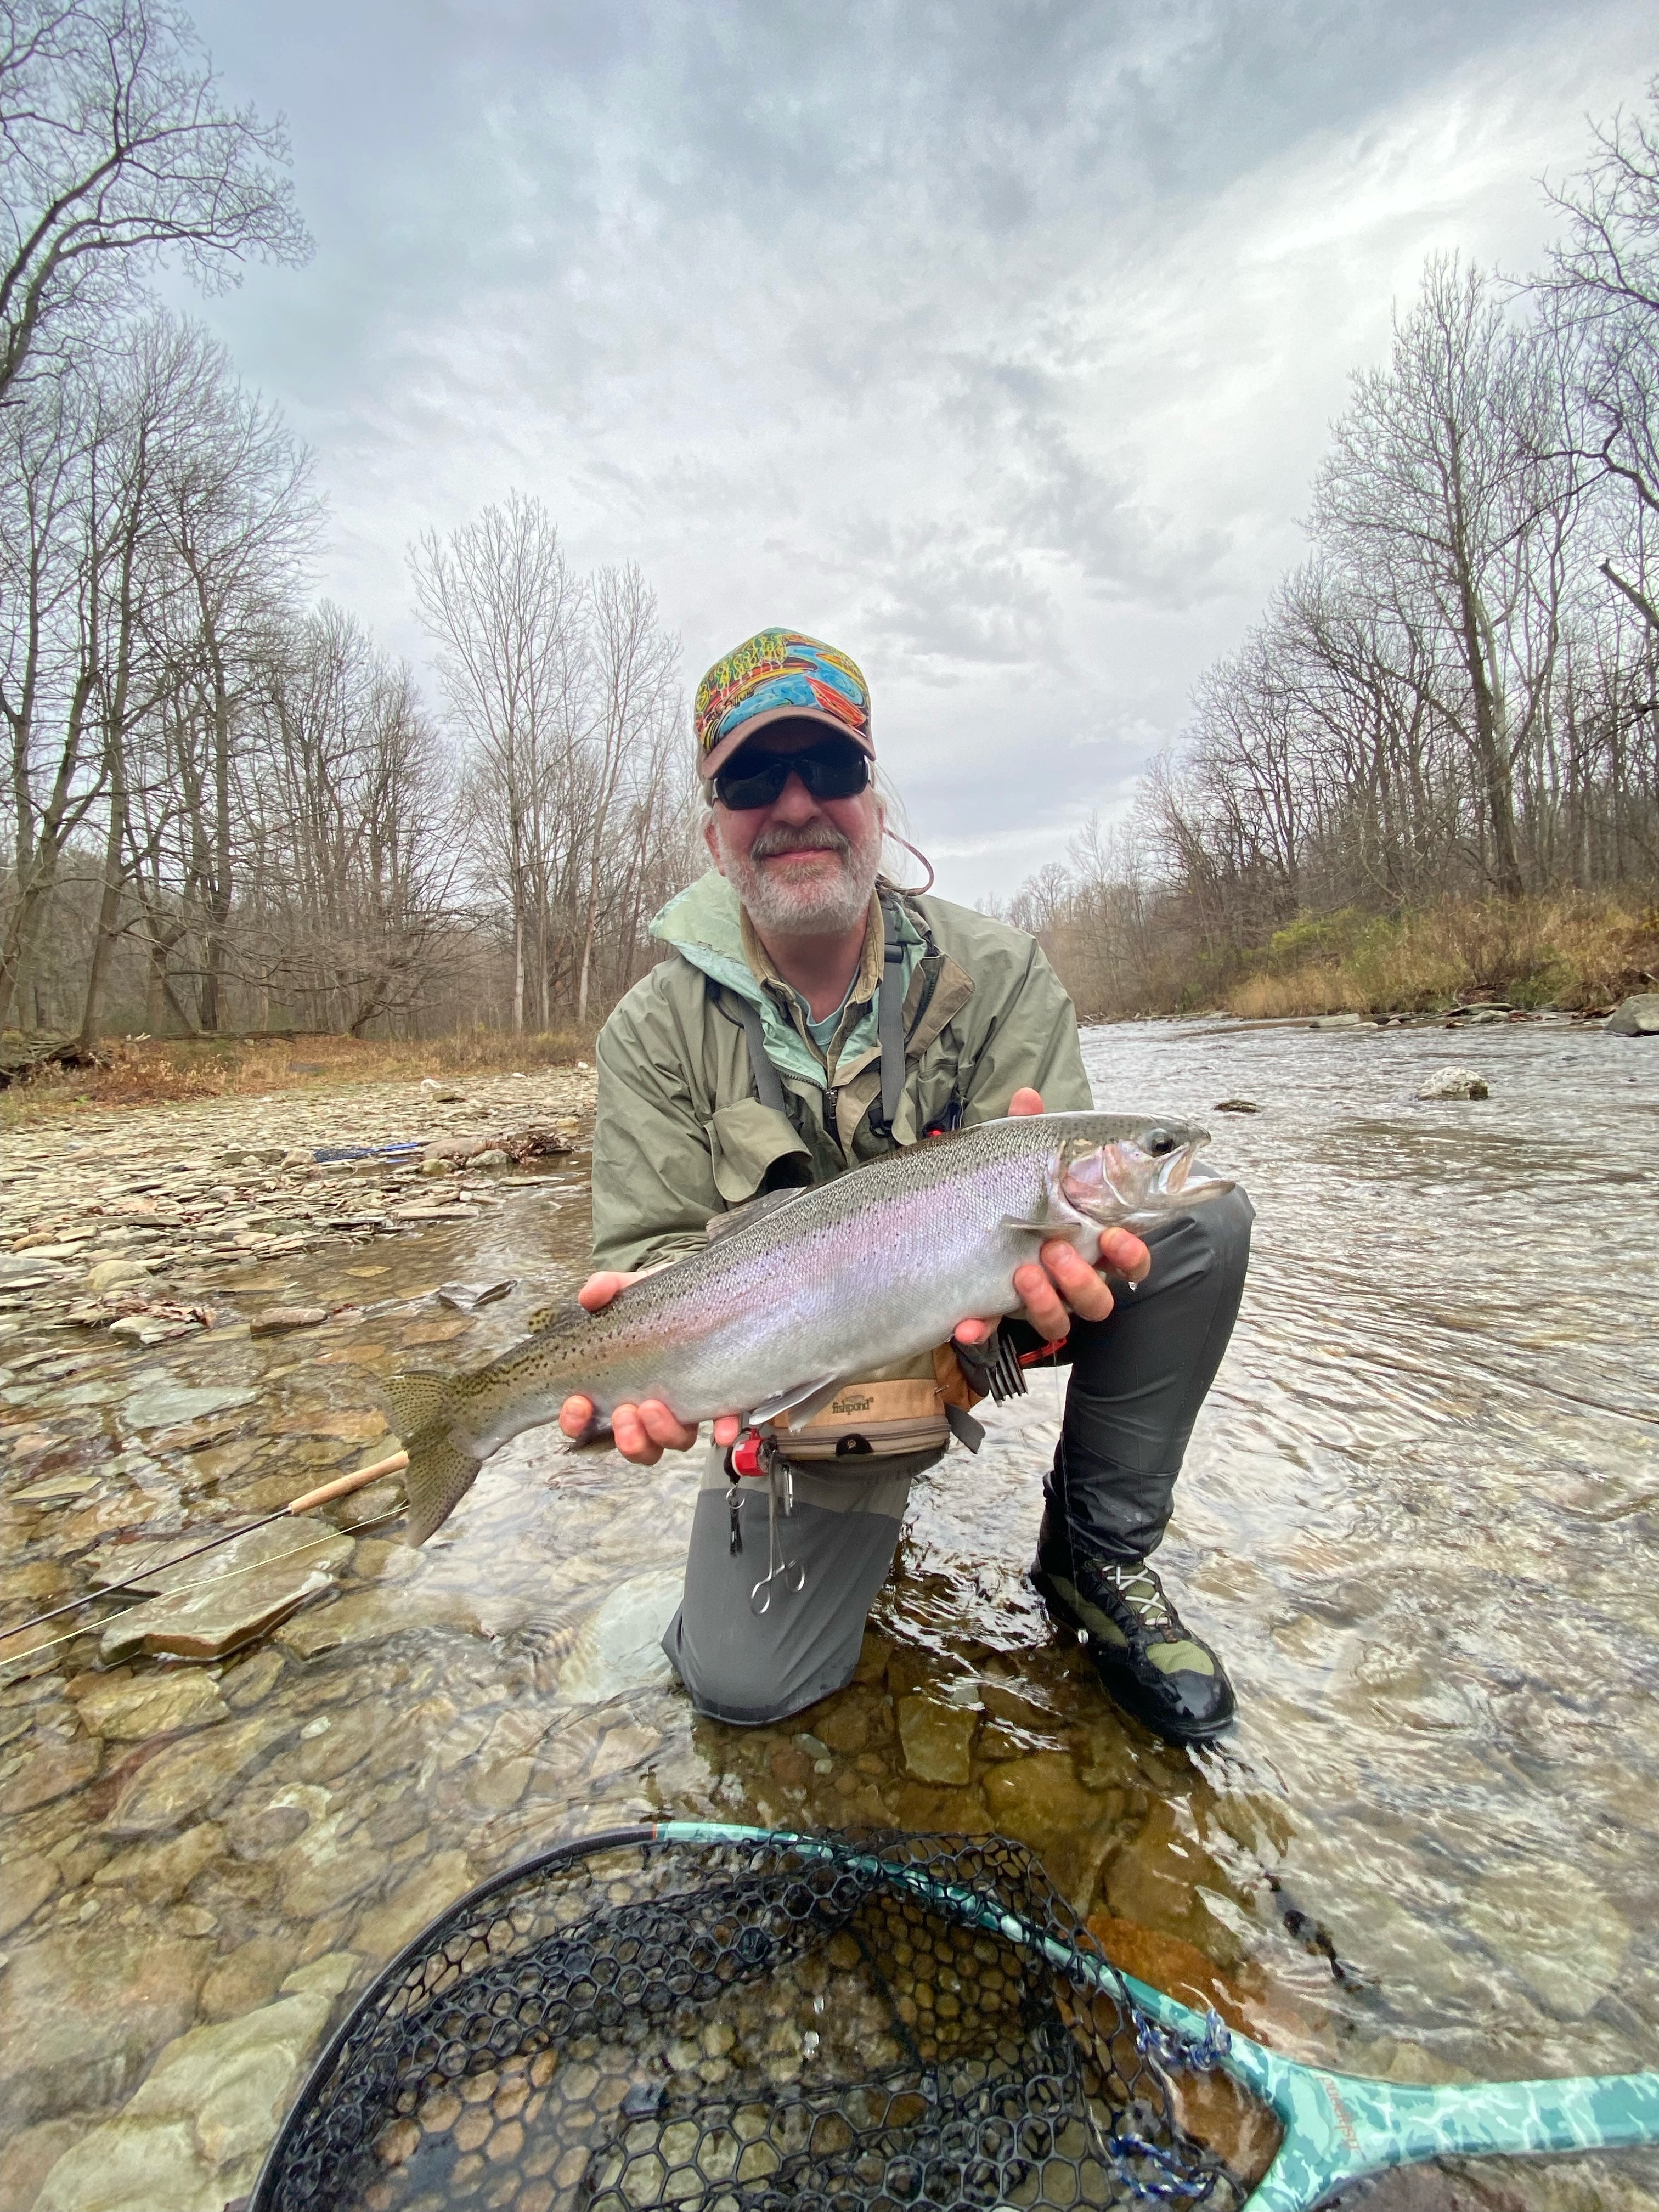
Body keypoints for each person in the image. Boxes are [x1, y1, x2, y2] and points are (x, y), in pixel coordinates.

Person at [558, 628, 1252, 1746]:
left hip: (982, 1332)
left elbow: (1069, 1255)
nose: (795, 804)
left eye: (828, 770)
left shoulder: (996, 969)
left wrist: (1058, 1262)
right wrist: (625, 1384)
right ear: (714, 829)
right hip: (785, 1374)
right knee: (745, 1691)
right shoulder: (650, 1032)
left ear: (875, 802)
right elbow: (644, 1266)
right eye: (752, 780)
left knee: (1198, 1226)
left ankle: (1095, 1561)